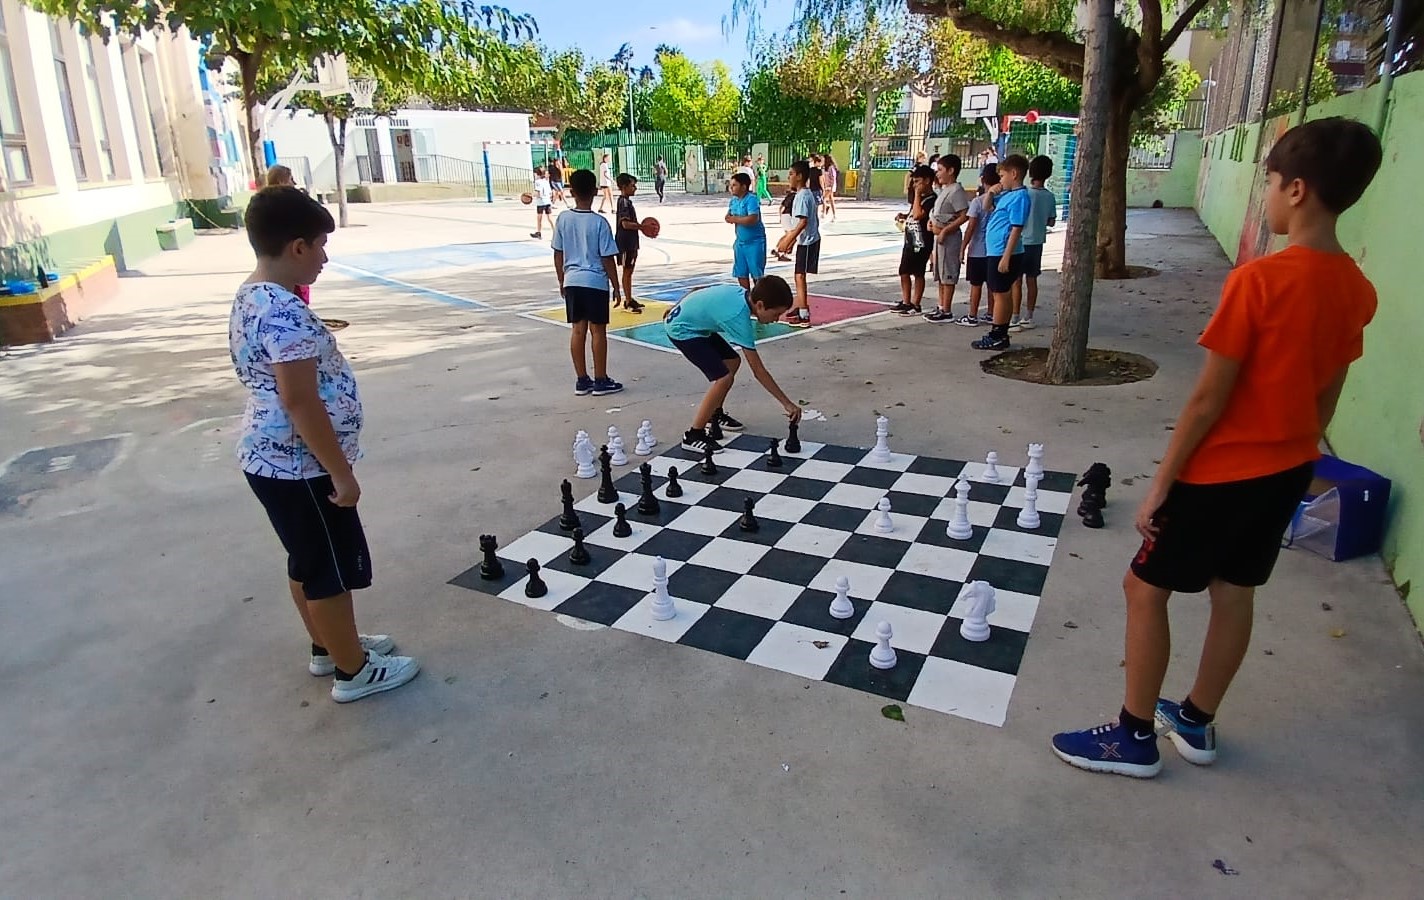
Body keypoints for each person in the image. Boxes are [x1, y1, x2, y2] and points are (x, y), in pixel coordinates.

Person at [1050, 117, 1382, 779]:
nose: (1266, 195)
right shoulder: (1357, 288)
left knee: (1144, 588)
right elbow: (1328, 399)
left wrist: (1162, 484)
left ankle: (1133, 737)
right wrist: (1301, 462)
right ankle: (1196, 719)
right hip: (1288, 468)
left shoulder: (1259, 282)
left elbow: (1207, 399)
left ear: (1296, 189)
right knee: (1235, 590)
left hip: (1221, 471)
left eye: (1269, 182)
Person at [231, 187, 417, 703]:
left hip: (271, 460)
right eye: (320, 246)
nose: (324, 258)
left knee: (306, 558)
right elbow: (300, 400)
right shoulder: (283, 312)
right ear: (297, 247)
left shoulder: (251, 295)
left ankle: (328, 646)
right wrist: (341, 472)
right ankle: (353, 671)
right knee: (328, 571)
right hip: (302, 466)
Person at [664, 276, 802, 456]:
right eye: (776, 314)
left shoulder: (741, 294)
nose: (776, 319)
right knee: (723, 379)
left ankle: (715, 413)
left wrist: (675, 307)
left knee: (732, 361)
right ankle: (693, 435)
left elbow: (700, 290)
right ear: (760, 305)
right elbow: (758, 371)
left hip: (695, 327)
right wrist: (787, 404)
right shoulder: (738, 317)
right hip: (682, 331)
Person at [552, 169, 625, 397]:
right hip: (595, 281)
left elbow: (558, 253)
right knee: (598, 331)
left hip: (572, 280)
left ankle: (582, 380)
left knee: (577, 330)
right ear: (595, 191)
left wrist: (562, 279)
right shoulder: (600, 222)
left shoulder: (563, 219)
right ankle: (601, 379)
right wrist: (616, 286)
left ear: (571, 192)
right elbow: (607, 258)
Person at [970, 154, 1030, 351]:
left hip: (1004, 252)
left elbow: (1016, 228)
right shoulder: (1007, 195)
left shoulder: (1020, 197)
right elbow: (987, 207)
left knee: (1000, 294)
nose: (1000, 180)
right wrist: (990, 193)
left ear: (1014, 174)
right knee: (1000, 292)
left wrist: (1006, 256)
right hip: (995, 250)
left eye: (1003, 176)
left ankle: (998, 333)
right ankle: (1000, 332)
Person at [924, 154, 971, 323]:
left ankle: (947, 310)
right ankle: (941, 305)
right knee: (940, 273)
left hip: (949, 240)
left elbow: (964, 215)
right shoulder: (945, 190)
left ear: (951, 171)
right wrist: (931, 223)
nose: (937, 173)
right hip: (939, 238)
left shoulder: (956, 190)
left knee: (948, 273)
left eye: (940, 170)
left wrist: (946, 230)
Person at [775, 159, 821, 327]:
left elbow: (802, 222)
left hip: (808, 242)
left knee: (799, 276)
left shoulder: (802, 196)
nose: (789, 177)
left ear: (800, 176)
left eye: (791, 174)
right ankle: (801, 306)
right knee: (799, 275)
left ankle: (804, 314)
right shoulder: (804, 194)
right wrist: (793, 241)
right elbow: (799, 224)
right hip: (805, 240)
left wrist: (788, 239)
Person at [1018, 155, 1057, 329]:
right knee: (1032, 279)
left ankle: (1014, 315)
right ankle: (1029, 315)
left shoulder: (1024, 193)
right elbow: (1051, 221)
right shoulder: (1049, 196)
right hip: (1037, 242)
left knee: (1016, 281)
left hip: (1020, 241)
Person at [956, 164, 998, 327]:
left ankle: (972, 315)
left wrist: (963, 247)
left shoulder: (978, 202)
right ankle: (991, 313)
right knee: (991, 284)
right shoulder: (1001, 201)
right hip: (994, 249)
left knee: (976, 284)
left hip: (977, 250)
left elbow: (971, 227)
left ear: (983, 180)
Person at [891, 164, 936, 316]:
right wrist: (904, 216)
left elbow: (918, 215)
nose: (915, 185)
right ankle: (906, 301)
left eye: (917, 182)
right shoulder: (920, 199)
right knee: (903, 271)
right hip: (910, 240)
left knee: (918, 273)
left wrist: (916, 195)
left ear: (927, 181)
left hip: (922, 242)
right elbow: (912, 213)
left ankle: (916, 303)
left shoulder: (931, 200)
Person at [264, 166, 312, 305]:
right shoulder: (284, 205)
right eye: (291, 179)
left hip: (276, 264)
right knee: (295, 300)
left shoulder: (264, 204)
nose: (294, 183)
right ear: (281, 180)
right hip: (291, 261)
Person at [726, 172, 767, 291]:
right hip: (740, 242)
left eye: (734, 185)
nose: (731, 188)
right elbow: (728, 216)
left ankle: (759, 295)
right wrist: (734, 218)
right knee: (741, 272)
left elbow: (752, 218)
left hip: (755, 242)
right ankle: (746, 296)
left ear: (743, 187)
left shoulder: (751, 200)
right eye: (731, 185)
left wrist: (735, 219)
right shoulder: (733, 201)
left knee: (756, 273)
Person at [613, 173, 645, 314]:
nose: (635, 188)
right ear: (624, 187)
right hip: (625, 242)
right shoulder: (623, 202)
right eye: (632, 185)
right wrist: (642, 227)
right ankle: (627, 301)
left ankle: (629, 298)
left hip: (630, 241)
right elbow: (625, 224)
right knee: (627, 271)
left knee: (629, 270)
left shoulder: (626, 201)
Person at [530, 165, 554, 240]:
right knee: (550, 218)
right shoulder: (546, 181)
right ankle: (556, 232)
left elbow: (538, 193)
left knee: (539, 218)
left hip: (541, 202)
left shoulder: (537, 182)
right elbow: (550, 192)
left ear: (537, 174)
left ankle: (538, 232)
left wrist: (531, 195)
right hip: (547, 201)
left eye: (534, 174)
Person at [774, 188, 796, 262]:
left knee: (787, 235)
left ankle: (777, 249)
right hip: (788, 216)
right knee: (791, 236)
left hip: (785, 216)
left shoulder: (789, 196)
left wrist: (781, 217)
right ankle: (782, 252)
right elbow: (784, 207)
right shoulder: (794, 196)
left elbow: (781, 207)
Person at [820, 153, 839, 221]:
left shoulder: (831, 168)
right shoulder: (824, 167)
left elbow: (833, 178)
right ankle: (833, 214)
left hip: (830, 186)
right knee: (831, 199)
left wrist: (831, 186)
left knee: (823, 198)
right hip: (826, 186)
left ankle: (824, 213)